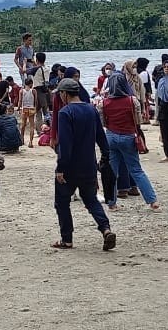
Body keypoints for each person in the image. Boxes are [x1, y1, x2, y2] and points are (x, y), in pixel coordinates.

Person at [52, 78, 117, 251]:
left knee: (62, 202)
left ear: (65, 94)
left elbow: (65, 144)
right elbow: (101, 137)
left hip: (71, 167)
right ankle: (105, 229)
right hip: (89, 165)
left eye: (60, 94)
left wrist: (61, 168)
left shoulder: (65, 113)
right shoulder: (91, 109)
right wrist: (105, 155)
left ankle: (67, 239)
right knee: (90, 199)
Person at [97, 71, 158, 212]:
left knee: (112, 172)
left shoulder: (104, 103)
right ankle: (152, 201)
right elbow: (138, 121)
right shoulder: (132, 101)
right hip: (128, 136)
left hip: (111, 136)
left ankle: (112, 203)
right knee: (136, 170)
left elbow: (103, 123)